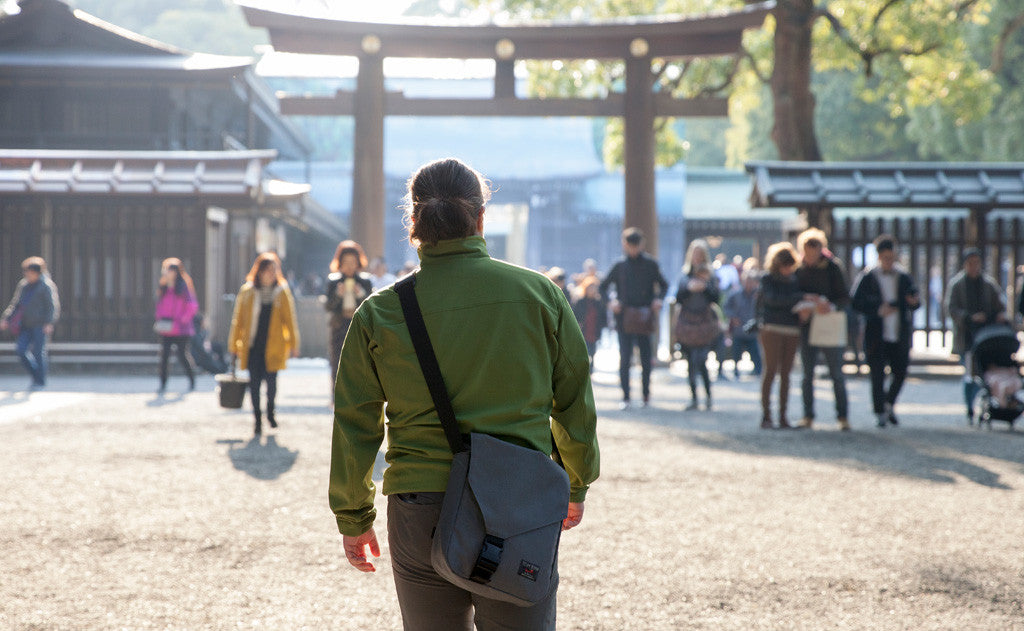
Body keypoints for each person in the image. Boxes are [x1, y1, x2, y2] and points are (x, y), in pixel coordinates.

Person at [329, 158, 600, 631]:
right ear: (480, 218)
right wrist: (575, 482)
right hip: (518, 499)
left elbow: (355, 422)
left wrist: (354, 514)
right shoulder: (539, 295)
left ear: (414, 223)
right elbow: (574, 401)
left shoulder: (380, 313)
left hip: (420, 502)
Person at [850, 235, 921, 428]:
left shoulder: (903, 276)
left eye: (891, 257)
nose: (889, 261)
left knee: (900, 371)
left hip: (899, 332)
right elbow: (856, 302)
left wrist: (912, 302)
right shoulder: (868, 277)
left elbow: (916, 301)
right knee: (877, 374)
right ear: (879, 256)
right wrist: (877, 309)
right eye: (885, 257)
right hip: (876, 333)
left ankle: (889, 403)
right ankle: (880, 411)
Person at [228, 252, 301, 435]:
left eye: (273, 270)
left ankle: (270, 411)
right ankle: (257, 420)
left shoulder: (281, 292)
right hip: (252, 346)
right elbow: (238, 320)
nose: (270, 274)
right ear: (259, 271)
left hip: (274, 346)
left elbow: (290, 320)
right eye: (267, 270)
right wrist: (233, 345)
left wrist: (294, 344)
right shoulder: (247, 291)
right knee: (254, 385)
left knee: (271, 383)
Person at [599, 227, 669, 409]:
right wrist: (611, 303)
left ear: (641, 244)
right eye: (630, 245)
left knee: (646, 359)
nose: (633, 249)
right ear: (624, 244)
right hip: (624, 318)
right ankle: (626, 397)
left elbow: (664, 285)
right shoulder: (619, 265)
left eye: (636, 245)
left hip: (645, 317)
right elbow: (602, 287)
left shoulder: (651, 264)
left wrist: (658, 300)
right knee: (625, 358)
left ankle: (646, 395)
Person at [795, 228, 851, 431]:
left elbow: (844, 297)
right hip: (807, 325)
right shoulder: (798, 269)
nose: (811, 257)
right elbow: (793, 293)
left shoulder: (833, 267)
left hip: (829, 323)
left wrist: (829, 305)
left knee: (836, 373)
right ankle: (808, 415)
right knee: (807, 374)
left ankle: (842, 416)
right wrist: (805, 303)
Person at [944, 248, 1008, 422]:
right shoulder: (957, 285)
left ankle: (984, 403)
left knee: (983, 372)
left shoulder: (988, 284)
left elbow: (1000, 306)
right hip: (966, 336)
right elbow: (951, 309)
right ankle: (969, 406)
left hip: (986, 336)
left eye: (976, 263)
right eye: (970, 263)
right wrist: (969, 317)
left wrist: (998, 316)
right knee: (970, 373)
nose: (973, 266)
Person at [757, 242, 806, 429]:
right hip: (772, 328)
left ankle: (783, 415)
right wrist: (797, 299)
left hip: (791, 329)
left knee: (786, 373)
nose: (787, 270)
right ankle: (766, 415)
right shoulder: (768, 279)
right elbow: (772, 300)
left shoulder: (795, 279)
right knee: (770, 370)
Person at [0, 256, 60, 389]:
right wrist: (6, 319)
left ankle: (40, 381)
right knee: (21, 350)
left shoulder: (46, 286)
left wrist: (49, 323)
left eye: (30, 272)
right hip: (25, 325)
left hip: (40, 325)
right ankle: (36, 375)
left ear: (38, 273)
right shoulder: (24, 285)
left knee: (38, 352)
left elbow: (52, 306)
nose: (27, 275)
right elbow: (16, 304)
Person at [674, 239, 720, 410]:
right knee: (691, 362)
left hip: (705, 324)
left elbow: (716, 298)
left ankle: (708, 396)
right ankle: (694, 397)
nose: (697, 258)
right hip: (687, 324)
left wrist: (704, 287)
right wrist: (689, 288)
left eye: (700, 254)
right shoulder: (685, 275)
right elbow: (678, 297)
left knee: (701, 360)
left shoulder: (711, 276)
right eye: (695, 254)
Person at [324, 240, 374, 385]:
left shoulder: (365, 281)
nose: (349, 266)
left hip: (359, 325)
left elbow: (371, 306)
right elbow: (328, 306)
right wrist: (338, 294)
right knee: (337, 362)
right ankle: (336, 394)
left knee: (360, 361)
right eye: (346, 262)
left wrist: (361, 294)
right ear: (340, 262)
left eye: (353, 262)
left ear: (358, 262)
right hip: (339, 325)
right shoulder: (333, 281)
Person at [153, 258, 199, 393]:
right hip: (166, 327)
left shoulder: (183, 286)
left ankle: (192, 379)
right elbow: (160, 304)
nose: (169, 273)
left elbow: (192, 305)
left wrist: (183, 319)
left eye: (171, 271)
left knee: (182, 355)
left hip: (181, 329)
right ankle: (163, 384)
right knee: (164, 357)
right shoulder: (164, 287)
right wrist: (159, 318)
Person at [724, 268, 763, 378]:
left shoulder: (758, 295)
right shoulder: (735, 294)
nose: (748, 284)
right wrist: (733, 317)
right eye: (747, 281)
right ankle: (736, 370)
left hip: (753, 329)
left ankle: (758, 370)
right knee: (736, 351)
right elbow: (726, 307)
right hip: (738, 328)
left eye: (751, 282)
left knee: (755, 351)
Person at [572, 276, 608, 372]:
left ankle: (591, 368)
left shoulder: (599, 302)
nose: (592, 290)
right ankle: (585, 369)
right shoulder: (580, 301)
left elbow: (603, 316)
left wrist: (603, 326)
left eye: (594, 287)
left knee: (593, 351)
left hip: (594, 330)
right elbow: (574, 314)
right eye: (590, 287)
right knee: (585, 351)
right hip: (584, 329)